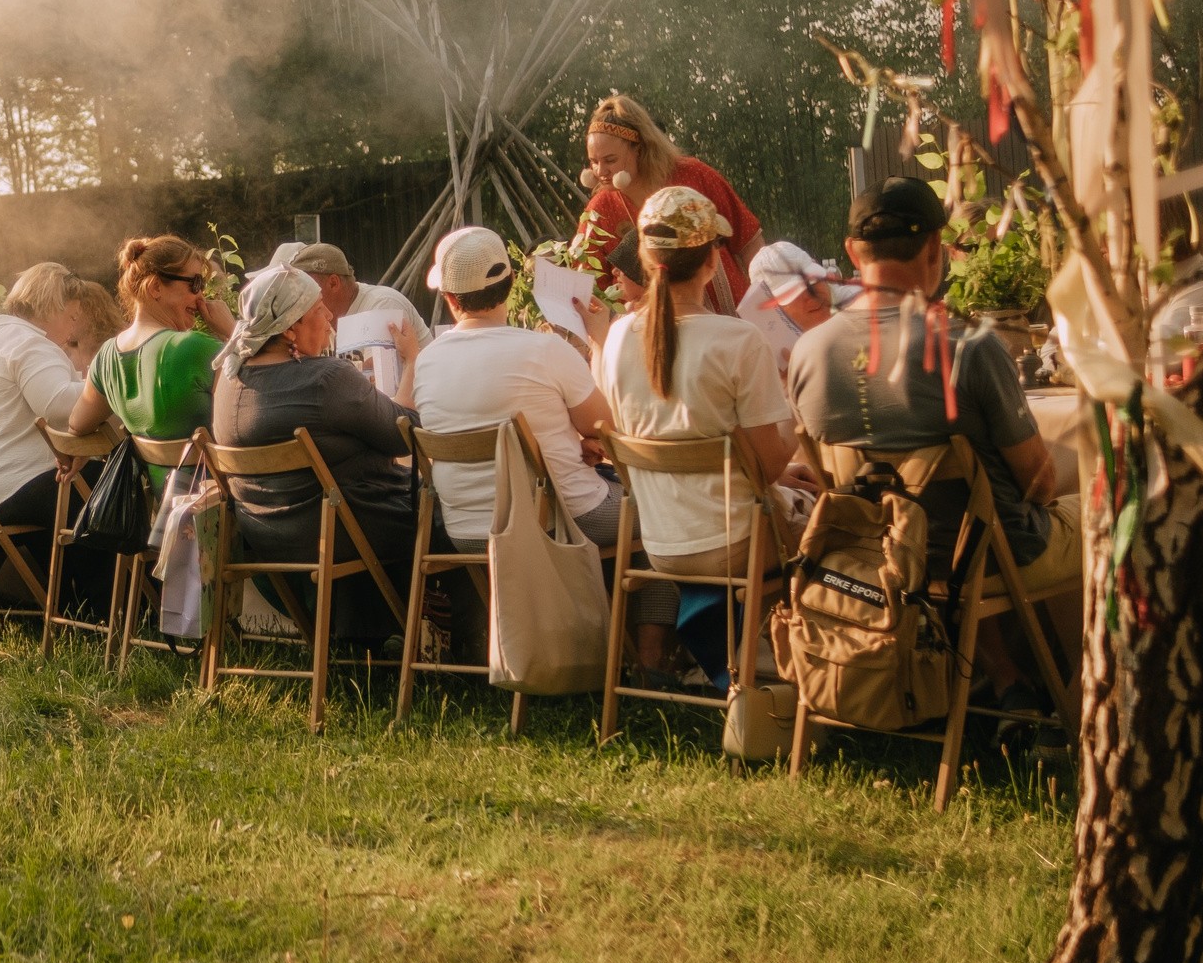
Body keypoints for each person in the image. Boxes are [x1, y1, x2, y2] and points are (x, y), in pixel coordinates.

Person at [786, 178, 1083, 712]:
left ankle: (1007, 675)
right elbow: (1038, 483)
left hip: (867, 555)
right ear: (934, 250)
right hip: (986, 558)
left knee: (961, 512)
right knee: (1112, 509)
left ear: (853, 252)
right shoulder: (970, 347)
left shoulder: (808, 351)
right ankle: (1099, 697)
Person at [412, 228, 675, 671]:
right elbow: (612, 428)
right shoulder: (544, 348)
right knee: (664, 516)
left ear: (451, 299)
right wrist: (597, 341)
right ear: (511, 283)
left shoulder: (427, 359)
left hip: (465, 530)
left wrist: (571, 442)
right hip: (555, 520)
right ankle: (650, 663)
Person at [596, 188, 798, 684]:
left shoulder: (617, 337)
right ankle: (786, 672)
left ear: (644, 260)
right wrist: (794, 416)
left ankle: (725, 664)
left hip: (660, 542)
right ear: (712, 260)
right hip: (737, 541)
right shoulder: (738, 340)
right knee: (833, 525)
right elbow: (769, 468)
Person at [210, 264, 428, 645]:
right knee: (441, 516)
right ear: (289, 327)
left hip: (266, 534)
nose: (330, 317)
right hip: (339, 530)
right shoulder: (326, 379)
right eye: (318, 311)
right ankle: (459, 647)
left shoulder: (228, 378)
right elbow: (403, 434)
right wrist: (411, 361)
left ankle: (366, 639)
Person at [0, 262, 102, 603]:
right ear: (51, 306)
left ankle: (74, 605)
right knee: (96, 483)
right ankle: (104, 608)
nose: (75, 323)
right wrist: (102, 381)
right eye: (73, 314)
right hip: (8, 489)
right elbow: (55, 403)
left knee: (76, 484)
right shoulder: (30, 344)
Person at [65, 235, 235, 487]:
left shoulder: (107, 356)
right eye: (195, 284)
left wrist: (73, 450)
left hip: (169, 512)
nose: (201, 297)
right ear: (155, 287)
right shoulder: (196, 349)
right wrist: (234, 331)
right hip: (222, 511)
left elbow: (77, 426)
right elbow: (262, 400)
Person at [573, 94, 766, 312]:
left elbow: (749, 240)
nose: (600, 172)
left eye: (610, 160)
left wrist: (767, 298)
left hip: (735, 316)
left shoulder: (694, 174)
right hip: (657, 336)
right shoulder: (599, 211)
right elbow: (589, 286)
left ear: (640, 148)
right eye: (593, 161)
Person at [738, 241, 860, 379]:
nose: (813, 294)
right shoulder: (765, 359)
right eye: (796, 291)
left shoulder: (859, 306)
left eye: (814, 280)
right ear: (775, 310)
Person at [281, 242, 433, 347]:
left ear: (333, 283)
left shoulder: (382, 304)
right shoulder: (324, 317)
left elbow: (373, 378)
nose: (297, 293)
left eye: (305, 285)